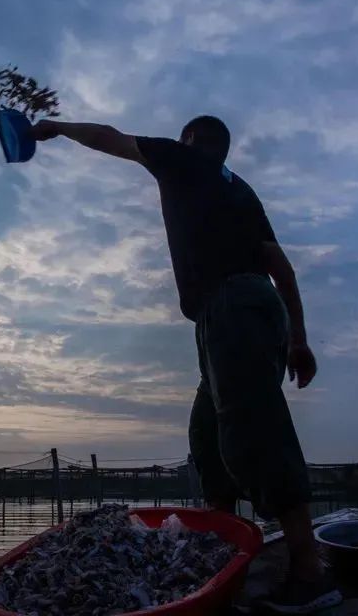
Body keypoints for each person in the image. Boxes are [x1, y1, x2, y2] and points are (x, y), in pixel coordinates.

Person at [31, 115, 342, 614]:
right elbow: (280, 266)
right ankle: (227, 555)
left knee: (254, 431)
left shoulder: (182, 159)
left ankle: (310, 572)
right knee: (208, 435)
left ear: (192, 139)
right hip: (258, 307)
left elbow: (111, 138)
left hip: (231, 309)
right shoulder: (240, 189)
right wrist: (298, 339)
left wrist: (56, 127)